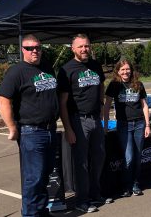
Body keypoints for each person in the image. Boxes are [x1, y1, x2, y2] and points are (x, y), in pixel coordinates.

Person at [0, 34, 59, 217]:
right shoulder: (16, 72)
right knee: (34, 178)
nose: (35, 51)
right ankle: (31, 214)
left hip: (50, 130)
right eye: (30, 48)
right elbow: (3, 101)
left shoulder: (47, 67)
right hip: (31, 132)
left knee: (45, 175)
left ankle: (40, 211)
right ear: (22, 50)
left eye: (38, 48)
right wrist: (12, 128)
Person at [57, 34, 111, 213]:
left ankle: (96, 195)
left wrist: (101, 104)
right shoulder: (67, 70)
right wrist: (68, 129)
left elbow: (102, 85)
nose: (84, 49)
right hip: (78, 120)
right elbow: (62, 103)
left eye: (86, 46)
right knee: (81, 163)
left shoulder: (95, 65)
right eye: (80, 47)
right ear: (73, 48)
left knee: (99, 158)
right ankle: (82, 200)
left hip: (95, 118)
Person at [103, 59, 151, 197]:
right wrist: (105, 125)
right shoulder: (114, 85)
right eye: (122, 69)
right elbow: (106, 107)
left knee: (137, 156)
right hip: (124, 125)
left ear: (131, 70)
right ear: (118, 71)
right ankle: (126, 186)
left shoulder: (138, 84)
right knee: (128, 157)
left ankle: (135, 183)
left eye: (127, 69)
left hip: (140, 124)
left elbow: (144, 105)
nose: (125, 72)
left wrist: (148, 125)